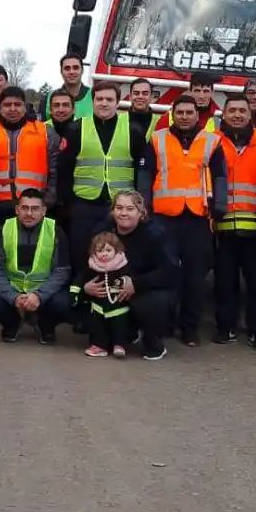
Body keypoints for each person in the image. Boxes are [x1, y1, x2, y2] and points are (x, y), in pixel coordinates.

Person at [144, 94, 228, 347]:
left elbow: (221, 176)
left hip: (197, 217)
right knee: (165, 272)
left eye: (189, 112)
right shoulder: (157, 139)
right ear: (172, 113)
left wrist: (219, 208)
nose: (184, 116)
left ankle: (190, 328)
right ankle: (166, 323)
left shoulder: (212, 141)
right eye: (179, 112)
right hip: (164, 216)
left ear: (197, 114)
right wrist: (143, 205)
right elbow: (145, 174)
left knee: (195, 276)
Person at [0, 86, 59, 309]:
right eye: (7, 105)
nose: (12, 109)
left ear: (25, 106)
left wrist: (48, 199)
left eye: (17, 104)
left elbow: (55, 168)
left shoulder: (44, 131)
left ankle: (31, 298)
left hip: (30, 207)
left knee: (27, 255)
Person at [212, 94, 256, 351]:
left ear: (250, 114)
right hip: (223, 228)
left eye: (242, 110)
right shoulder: (212, 141)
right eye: (231, 110)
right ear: (224, 114)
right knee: (225, 283)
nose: (237, 115)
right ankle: (225, 328)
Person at [57, 81, 148, 279]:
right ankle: (81, 296)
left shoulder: (133, 129)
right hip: (84, 205)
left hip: (120, 209)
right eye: (99, 99)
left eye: (109, 99)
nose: (104, 104)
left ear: (118, 102)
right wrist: (67, 204)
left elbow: (142, 169)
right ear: (92, 102)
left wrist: (140, 205)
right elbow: (64, 169)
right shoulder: (76, 128)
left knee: (119, 256)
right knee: (81, 254)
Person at [86, 190, 181, 361]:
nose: (123, 213)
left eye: (130, 209)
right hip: (113, 288)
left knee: (151, 303)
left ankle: (153, 341)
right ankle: (124, 334)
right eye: (119, 208)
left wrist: (136, 283)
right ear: (112, 211)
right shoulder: (103, 232)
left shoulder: (154, 234)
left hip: (147, 288)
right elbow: (87, 261)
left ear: (141, 212)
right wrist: (87, 286)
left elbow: (170, 272)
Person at [0, 189, 72, 344]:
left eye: (35, 209)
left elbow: (62, 271)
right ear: (17, 209)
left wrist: (39, 296)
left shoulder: (56, 231)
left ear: (44, 211)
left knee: (63, 302)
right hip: (13, 288)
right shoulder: (3, 229)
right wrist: (13, 297)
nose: (29, 213)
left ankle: (45, 326)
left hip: (43, 290)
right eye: (24, 208)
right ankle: (12, 323)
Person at [75, 232, 135, 357]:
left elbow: (132, 278)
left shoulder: (123, 265)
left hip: (119, 305)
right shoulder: (92, 267)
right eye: (100, 250)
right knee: (98, 326)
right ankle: (99, 345)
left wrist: (126, 281)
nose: (104, 254)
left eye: (108, 250)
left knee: (120, 325)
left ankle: (120, 345)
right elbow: (80, 279)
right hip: (98, 305)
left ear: (116, 250)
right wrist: (78, 291)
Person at [154, 72, 219, 131]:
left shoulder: (217, 123)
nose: (201, 96)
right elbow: (158, 142)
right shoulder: (168, 118)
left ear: (212, 93)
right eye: (197, 91)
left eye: (206, 91)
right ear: (190, 92)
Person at [38, 53, 93, 121]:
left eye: (75, 68)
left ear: (82, 70)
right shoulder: (48, 99)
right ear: (61, 71)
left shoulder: (95, 96)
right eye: (67, 68)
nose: (71, 72)